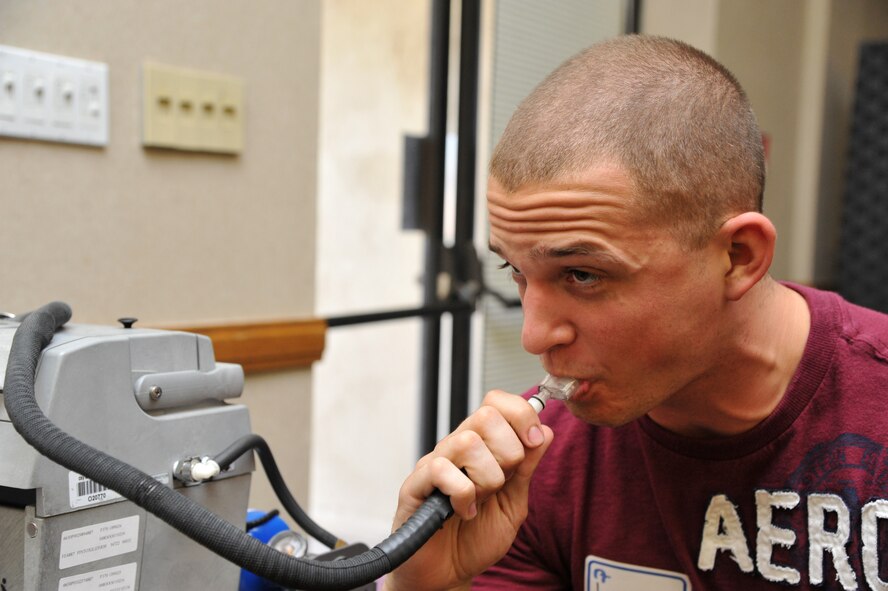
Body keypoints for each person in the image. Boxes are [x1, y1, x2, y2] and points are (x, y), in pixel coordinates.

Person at [383, 34, 888, 590]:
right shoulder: (538, 469)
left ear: (738, 258)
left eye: (583, 274)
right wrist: (424, 584)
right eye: (516, 272)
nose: (533, 336)